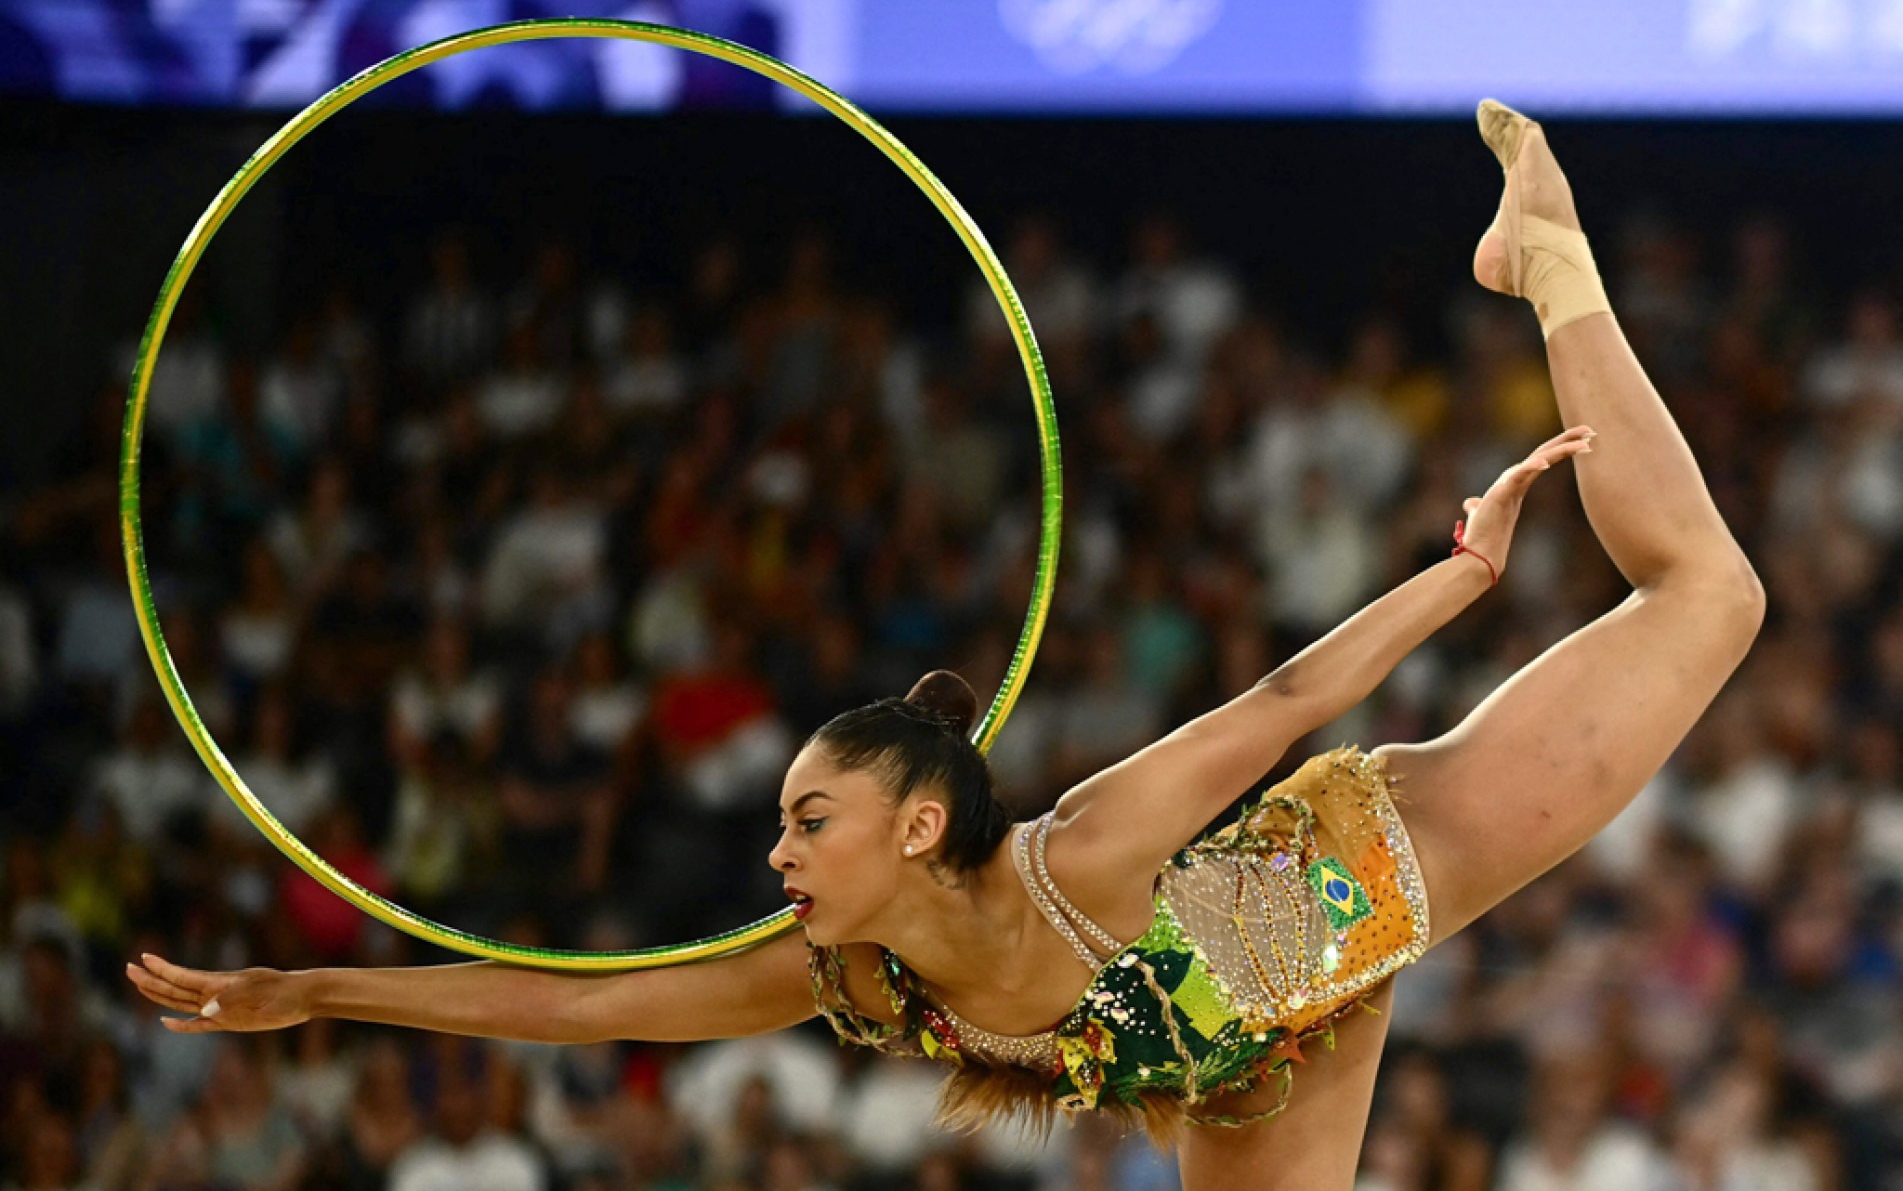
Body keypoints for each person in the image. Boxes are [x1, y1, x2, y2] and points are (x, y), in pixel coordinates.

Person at [127, 103, 1764, 1190]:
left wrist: (1458, 581)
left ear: (921, 822)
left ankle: (1545, 261)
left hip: (1343, 881)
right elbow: (577, 1010)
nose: (775, 851)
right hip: (1248, 1065)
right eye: (785, 824)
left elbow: (1272, 705)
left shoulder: (1087, 852)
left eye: (805, 821)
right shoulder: (850, 975)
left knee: (1711, 599)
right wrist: (314, 987)